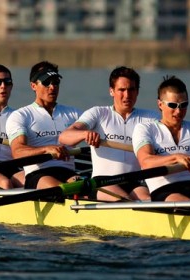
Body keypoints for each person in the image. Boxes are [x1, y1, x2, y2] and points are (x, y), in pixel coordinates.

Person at [59, 66, 159, 201]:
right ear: (111, 91)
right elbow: (64, 136)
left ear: (137, 91)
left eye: (131, 90)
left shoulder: (150, 117)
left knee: (148, 200)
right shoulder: (98, 113)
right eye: (121, 90)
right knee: (124, 200)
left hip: (134, 182)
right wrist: (85, 134)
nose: (127, 95)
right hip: (102, 182)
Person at [6, 61, 81, 189]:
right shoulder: (21, 115)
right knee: (64, 190)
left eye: (55, 82)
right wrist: (47, 149)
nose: (52, 87)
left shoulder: (73, 113)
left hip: (68, 173)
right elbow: (18, 151)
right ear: (33, 85)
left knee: (85, 190)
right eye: (46, 82)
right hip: (38, 174)